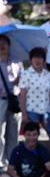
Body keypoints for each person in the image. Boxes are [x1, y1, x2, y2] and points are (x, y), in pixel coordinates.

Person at [18, 47, 50, 141]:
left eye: (40, 57)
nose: (37, 60)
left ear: (44, 60)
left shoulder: (48, 75)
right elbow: (22, 95)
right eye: (35, 57)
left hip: (46, 110)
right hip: (31, 110)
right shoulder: (26, 74)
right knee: (32, 137)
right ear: (31, 59)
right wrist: (24, 114)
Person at [0, 34, 21, 168]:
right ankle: (1, 164)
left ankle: (11, 164)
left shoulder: (17, 62)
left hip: (14, 100)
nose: (2, 46)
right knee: (0, 133)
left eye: (4, 43)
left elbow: (23, 80)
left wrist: (18, 81)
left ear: (9, 46)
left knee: (13, 134)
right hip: (0, 100)